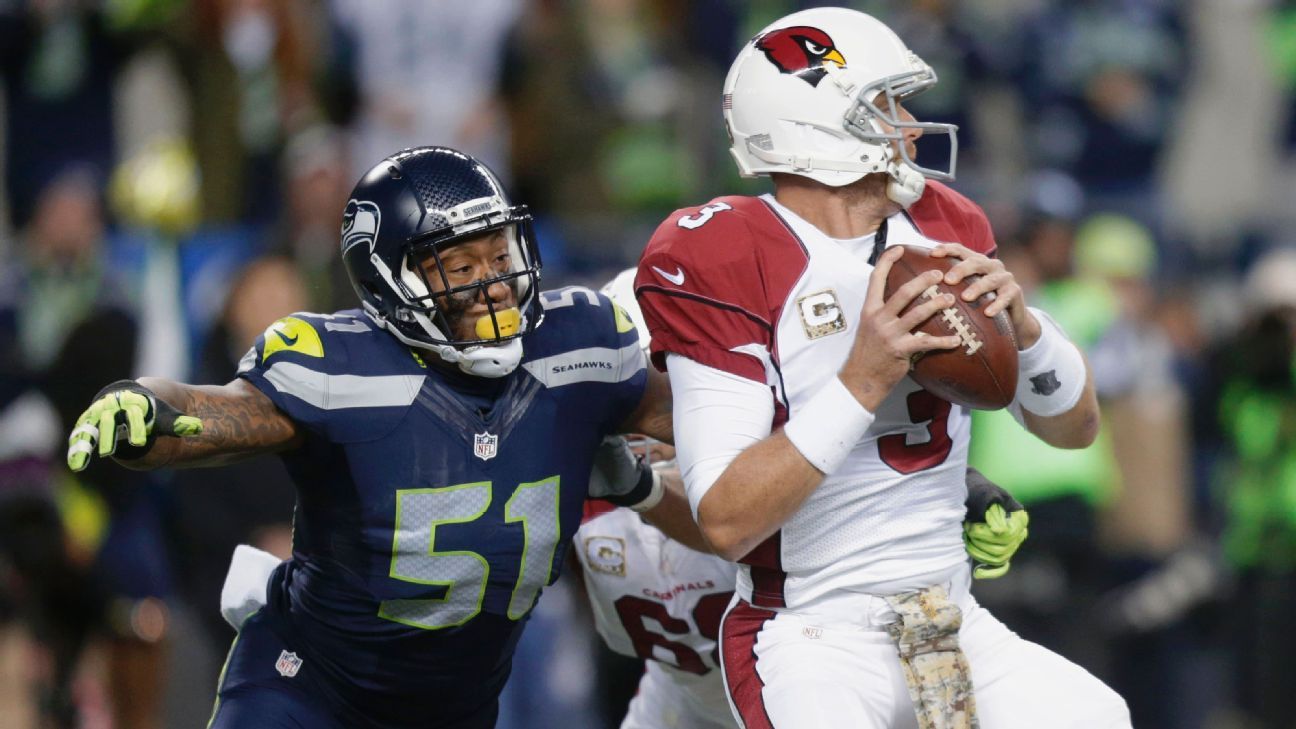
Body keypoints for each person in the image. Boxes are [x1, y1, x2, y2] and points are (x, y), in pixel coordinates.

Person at [64, 146, 691, 729]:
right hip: (306, 687)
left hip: (455, 706)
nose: (495, 284)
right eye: (461, 267)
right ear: (392, 280)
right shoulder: (342, 367)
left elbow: (699, 420)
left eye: (500, 255)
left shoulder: (579, 348)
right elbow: (222, 415)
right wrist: (148, 408)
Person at [634, 8, 1129, 729]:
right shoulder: (726, 253)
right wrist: (862, 378)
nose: (912, 126)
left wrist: (1027, 331)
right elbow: (728, 518)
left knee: (1097, 715)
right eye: (886, 106)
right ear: (818, 125)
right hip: (813, 633)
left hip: (952, 611)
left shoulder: (945, 223)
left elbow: (1075, 429)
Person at [577, 270, 1031, 729]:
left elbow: (778, 495)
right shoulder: (579, 465)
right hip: (680, 702)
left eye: (666, 375)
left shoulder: (761, 453)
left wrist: (954, 488)